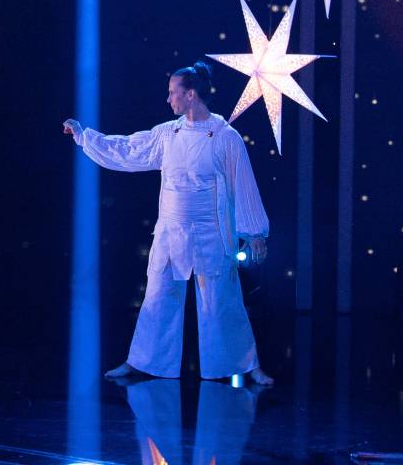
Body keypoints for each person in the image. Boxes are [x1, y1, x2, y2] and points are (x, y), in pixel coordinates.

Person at [63, 62, 274, 386]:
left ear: (190, 95)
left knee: (222, 302)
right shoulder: (168, 134)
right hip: (171, 231)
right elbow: (129, 149)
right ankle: (140, 360)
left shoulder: (224, 137)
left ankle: (247, 364)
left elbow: (242, 183)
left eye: (173, 92)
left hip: (211, 234)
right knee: (158, 298)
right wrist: (84, 136)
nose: (168, 99)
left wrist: (254, 232)